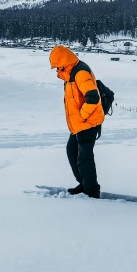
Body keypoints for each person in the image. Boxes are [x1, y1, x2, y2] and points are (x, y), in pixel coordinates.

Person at [49, 45, 104, 198]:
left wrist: (82, 115)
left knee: (84, 157)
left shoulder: (80, 73)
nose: (56, 70)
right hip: (80, 124)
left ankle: (92, 191)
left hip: (88, 122)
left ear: (63, 62)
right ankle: (85, 183)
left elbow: (93, 97)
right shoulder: (70, 73)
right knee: (72, 151)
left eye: (57, 66)